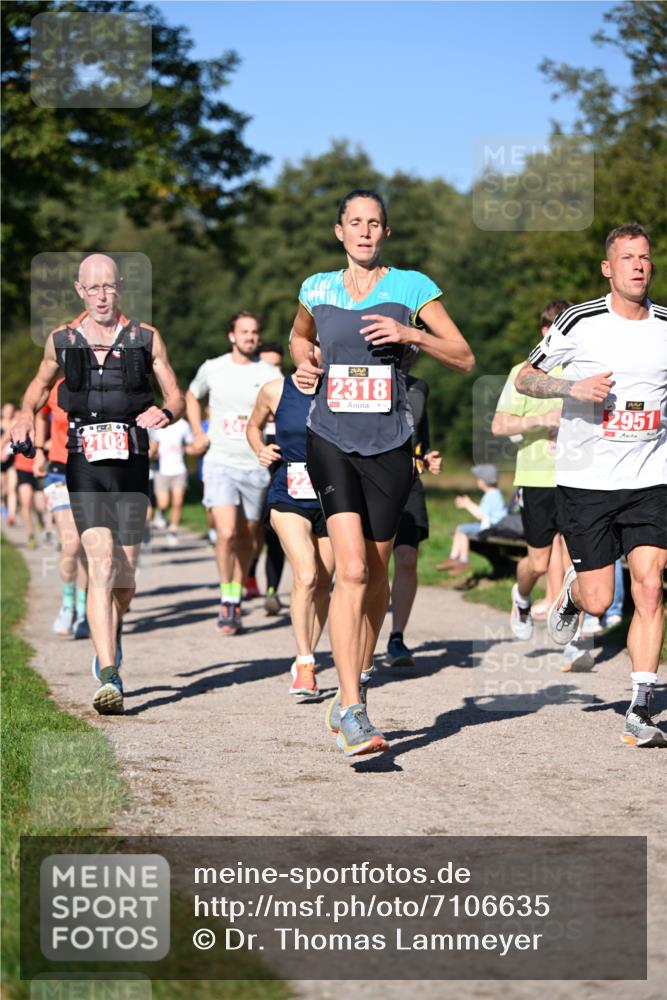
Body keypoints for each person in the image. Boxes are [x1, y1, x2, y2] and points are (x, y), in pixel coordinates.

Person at [290, 188, 474, 756]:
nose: (365, 232)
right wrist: (303, 359)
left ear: (385, 233)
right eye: (355, 223)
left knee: (373, 577)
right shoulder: (316, 287)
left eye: (375, 223)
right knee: (348, 570)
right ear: (339, 231)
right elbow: (299, 335)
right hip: (331, 440)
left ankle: (357, 674)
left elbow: (464, 356)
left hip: (392, 445)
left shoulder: (412, 287)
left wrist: (411, 333)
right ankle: (351, 708)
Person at [11, 253, 185, 715]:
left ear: (120, 287)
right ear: (79, 291)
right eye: (93, 288)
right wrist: (26, 414)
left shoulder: (145, 338)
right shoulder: (62, 340)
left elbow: (176, 394)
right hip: (83, 461)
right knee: (101, 562)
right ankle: (110, 673)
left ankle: (113, 627)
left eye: (109, 287)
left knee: (124, 578)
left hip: (130, 463)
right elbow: (36, 384)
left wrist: (166, 412)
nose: (102, 296)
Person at [515, 223, 667, 748]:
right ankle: (575, 595)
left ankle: (641, 705)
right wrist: (570, 386)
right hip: (587, 480)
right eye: (627, 258)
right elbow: (525, 377)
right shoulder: (581, 321)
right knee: (601, 599)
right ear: (609, 268)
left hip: (651, 475)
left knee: (649, 583)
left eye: (645, 257)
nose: (639, 266)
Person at [185, 312, 278, 635]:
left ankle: (237, 590)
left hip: (256, 463)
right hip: (220, 460)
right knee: (226, 533)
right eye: (244, 331)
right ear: (231, 336)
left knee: (250, 536)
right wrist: (199, 432)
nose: (250, 337)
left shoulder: (268, 372)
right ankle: (228, 597)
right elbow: (191, 396)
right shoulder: (213, 368)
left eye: (255, 332)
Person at [246, 357, 334, 696]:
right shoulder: (275, 390)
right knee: (307, 574)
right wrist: (259, 448)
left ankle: (303, 658)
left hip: (331, 495)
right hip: (289, 493)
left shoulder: (338, 389)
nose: (315, 356)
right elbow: (253, 426)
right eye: (308, 348)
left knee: (325, 581)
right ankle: (307, 662)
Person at [492, 300, 572, 638]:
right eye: (561, 331)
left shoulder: (586, 371)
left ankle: (573, 636)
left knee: (576, 564)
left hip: (579, 478)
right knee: (538, 563)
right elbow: (499, 425)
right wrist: (541, 419)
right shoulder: (522, 373)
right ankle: (522, 596)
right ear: (545, 333)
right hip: (537, 478)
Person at [386, 375, 442, 667]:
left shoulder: (420, 386)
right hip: (372, 480)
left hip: (409, 480)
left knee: (407, 557)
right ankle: (360, 637)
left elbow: (421, 433)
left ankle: (397, 637)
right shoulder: (365, 373)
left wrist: (427, 456)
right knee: (370, 564)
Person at [34, 377, 90, 638]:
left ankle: (83, 609)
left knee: (89, 546)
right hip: (58, 471)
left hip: (92, 471)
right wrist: (39, 449)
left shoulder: (102, 382)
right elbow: (40, 413)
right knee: (71, 544)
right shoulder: (56, 387)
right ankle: (68, 605)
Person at [436, 464, 506, 576]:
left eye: (478, 478)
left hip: (492, 527)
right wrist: (467, 504)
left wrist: (467, 504)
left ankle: (464, 560)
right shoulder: (493, 494)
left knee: (463, 530)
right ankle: (453, 558)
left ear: (484, 481)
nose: (477, 481)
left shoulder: (492, 495)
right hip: (490, 525)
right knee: (460, 529)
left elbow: (481, 515)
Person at [149, 417, 196, 547]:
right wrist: (151, 454)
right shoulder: (156, 424)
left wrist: (194, 449)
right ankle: (161, 513)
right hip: (161, 469)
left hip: (179, 469)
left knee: (178, 501)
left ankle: (173, 531)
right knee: (163, 502)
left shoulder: (184, 425)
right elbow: (153, 446)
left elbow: (189, 444)